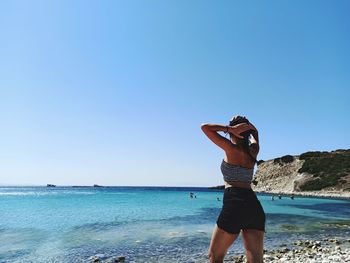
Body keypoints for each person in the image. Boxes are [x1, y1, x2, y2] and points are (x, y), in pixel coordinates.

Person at [201, 115, 265, 263]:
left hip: (234, 203)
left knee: (215, 256)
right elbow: (256, 133)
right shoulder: (254, 150)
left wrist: (229, 128)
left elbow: (205, 127)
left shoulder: (230, 148)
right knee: (255, 259)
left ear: (234, 132)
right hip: (253, 206)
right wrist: (247, 125)